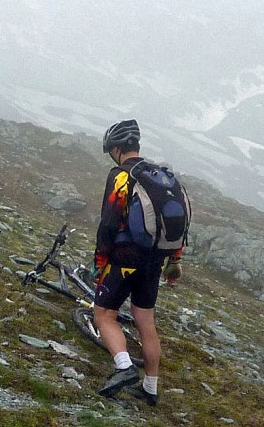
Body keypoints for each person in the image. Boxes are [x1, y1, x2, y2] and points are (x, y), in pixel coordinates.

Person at [92, 119, 185, 406]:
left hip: (124, 260)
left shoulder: (122, 176)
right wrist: (175, 260)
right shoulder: (163, 178)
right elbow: (177, 223)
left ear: (117, 149)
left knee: (104, 315)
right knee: (146, 322)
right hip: (155, 261)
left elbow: (108, 223)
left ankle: (123, 367)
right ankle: (151, 387)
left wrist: (99, 263)